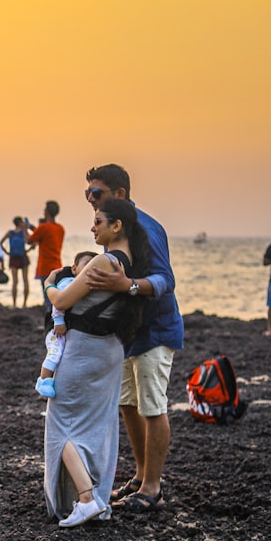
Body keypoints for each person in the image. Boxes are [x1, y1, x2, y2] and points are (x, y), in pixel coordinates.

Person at [83, 164, 183, 512]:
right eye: (87, 195)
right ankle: (141, 476)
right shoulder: (112, 226)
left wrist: (128, 286)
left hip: (156, 330)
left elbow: (165, 280)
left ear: (120, 194)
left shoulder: (146, 228)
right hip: (128, 332)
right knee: (127, 403)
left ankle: (153, 487)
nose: (91, 202)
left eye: (97, 194)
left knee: (153, 407)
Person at [44, 199, 149, 527]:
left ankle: (87, 498)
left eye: (99, 221)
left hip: (84, 353)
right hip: (109, 350)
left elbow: (62, 300)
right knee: (93, 427)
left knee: (60, 424)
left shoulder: (104, 262)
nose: (93, 227)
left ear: (116, 226)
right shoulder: (132, 261)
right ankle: (93, 499)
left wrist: (49, 283)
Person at [36, 251, 97, 398]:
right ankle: (43, 381)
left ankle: (53, 378)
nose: (89, 268)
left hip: (64, 327)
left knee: (63, 356)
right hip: (56, 327)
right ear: (75, 269)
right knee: (55, 353)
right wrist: (59, 322)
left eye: (93, 265)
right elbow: (58, 303)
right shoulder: (68, 282)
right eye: (86, 264)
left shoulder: (84, 285)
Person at [27, 201, 65, 324]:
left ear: (46, 212)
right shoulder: (60, 228)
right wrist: (33, 228)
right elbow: (44, 235)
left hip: (45, 267)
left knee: (48, 300)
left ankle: (51, 324)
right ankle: (58, 322)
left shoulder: (43, 228)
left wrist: (23, 229)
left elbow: (29, 240)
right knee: (55, 298)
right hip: (58, 266)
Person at [0, 217, 31, 307]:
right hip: (23, 257)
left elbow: (0, 242)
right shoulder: (23, 232)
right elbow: (29, 241)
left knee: (15, 281)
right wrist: (28, 250)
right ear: (20, 223)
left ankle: (14, 304)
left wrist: (6, 252)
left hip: (13, 257)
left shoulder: (10, 233)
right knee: (25, 280)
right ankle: (24, 304)